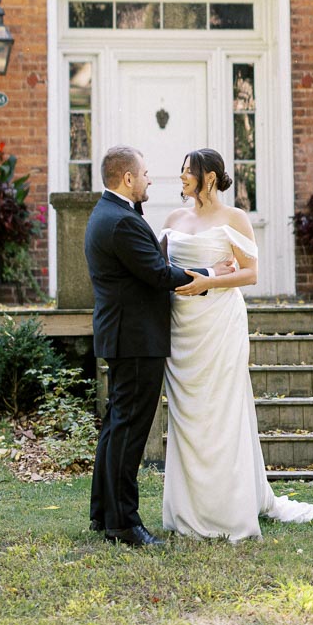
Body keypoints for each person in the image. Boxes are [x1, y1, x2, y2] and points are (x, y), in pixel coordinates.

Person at [161, 148, 313, 543]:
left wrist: (208, 282)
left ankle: (227, 508)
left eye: (188, 172)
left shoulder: (234, 218)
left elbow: (251, 273)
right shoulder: (173, 220)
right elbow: (161, 267)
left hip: (219, 324)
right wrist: (200, 275)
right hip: (181, 325)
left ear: (209, 177)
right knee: (188, 414)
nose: (182, 178)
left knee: (220, 411)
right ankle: (187, 509)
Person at [85, 144, 236, 548]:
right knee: (129, 431)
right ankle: (123, 523)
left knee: (117, 426)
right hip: (135, 339)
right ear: (128, 179)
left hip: (126, 336)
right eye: (146, 174)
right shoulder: (120, 221)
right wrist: (207, 273)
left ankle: (104, 513)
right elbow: (155, 272)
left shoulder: (111, 214)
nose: (152, 179)